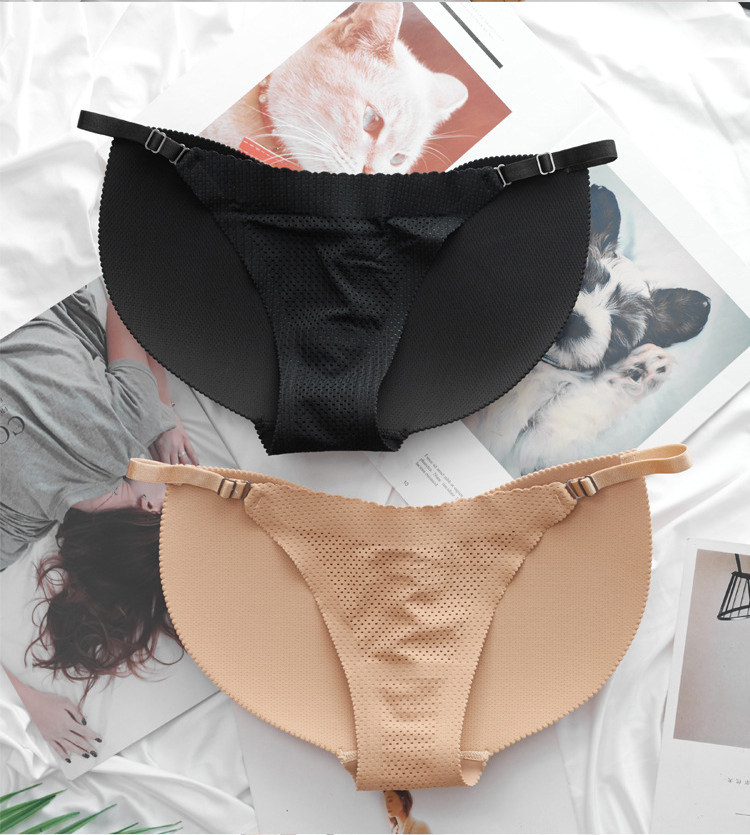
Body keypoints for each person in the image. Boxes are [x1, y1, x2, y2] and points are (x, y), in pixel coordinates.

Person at [0, 285, 199, 759]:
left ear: (149, 510)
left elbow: (123, 298)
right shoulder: (20, 519)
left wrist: (163, 412)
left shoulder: (133, 423)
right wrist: (29, 702)